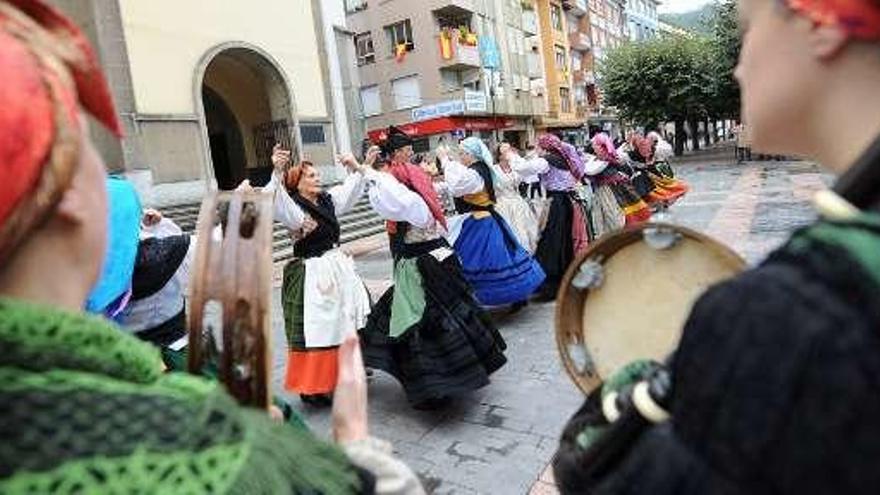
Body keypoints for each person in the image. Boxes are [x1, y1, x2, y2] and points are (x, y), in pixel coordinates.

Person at [0, 3, 422, 493]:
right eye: (89, 149)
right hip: (260, 316)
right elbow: (239, 253)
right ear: (68, 199)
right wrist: (357, 458)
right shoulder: (206, 447)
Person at [553, 0, 880, 493]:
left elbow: (595, 471)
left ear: (823, 25)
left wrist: (656, 371)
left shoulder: (787, 312)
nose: (738, 65)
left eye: (748, 31)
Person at [348, 127, 507, 410]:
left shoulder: (411, 187)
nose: (415, 160)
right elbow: (399, 203)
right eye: (406, 151)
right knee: (420, 320)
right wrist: (368, 172)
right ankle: (433, 381)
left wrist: (369, 172)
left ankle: (441, 378)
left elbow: (411, 202)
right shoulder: (402, 189)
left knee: (428, 317)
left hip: (431, 260)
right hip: (418, 264)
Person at [254, 147, 372, 407]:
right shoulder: (294, 207)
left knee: (346, 320)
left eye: (317, 174)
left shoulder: (327, 200)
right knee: (318, 329)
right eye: (310, 176)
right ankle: (312, 387)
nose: (317, 178)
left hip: (336, 266)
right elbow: (275, 199)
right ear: (297, 183)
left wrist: (362, 166)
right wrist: (276, 170)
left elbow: (349, 190)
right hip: (311, 273)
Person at [437, 137, 545, 307]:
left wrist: (445, 160)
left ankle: (501, 297)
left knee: (484, 260)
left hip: (480, 222)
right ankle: (515, 297)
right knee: (502, 257)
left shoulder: (475, 172)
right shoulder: (480, 169)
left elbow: (457, 185)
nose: (461, 157)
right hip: (484, 218)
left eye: (462, 153)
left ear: (470, 154)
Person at [532, 134, 595, 301]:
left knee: (551, 242)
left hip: (556, 203)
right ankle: (565, 279)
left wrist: (515, 157)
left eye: (538, 145)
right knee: (565, 241)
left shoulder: (547, 161)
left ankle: (549, 285)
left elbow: (527, 168)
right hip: (568, 202)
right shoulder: (564, 159)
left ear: (545, 147)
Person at [590, 133, 653, 229]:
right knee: (609, 217)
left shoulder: (607, 159)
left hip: (610, 191)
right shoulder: (609, 157)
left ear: (601, 147)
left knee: (613, 216)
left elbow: (591, 171)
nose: (593, 148)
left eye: (595, 145)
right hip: (610, 189)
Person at [494, 143, 541, 252]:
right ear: (499, 155)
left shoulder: (517, 166)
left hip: (518, 202)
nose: (509, 152)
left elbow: (529, 174)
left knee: (524, 230)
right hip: (502, 204)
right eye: (505, 151)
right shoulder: (494, 170)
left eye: (510, 149)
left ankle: (526, 252)